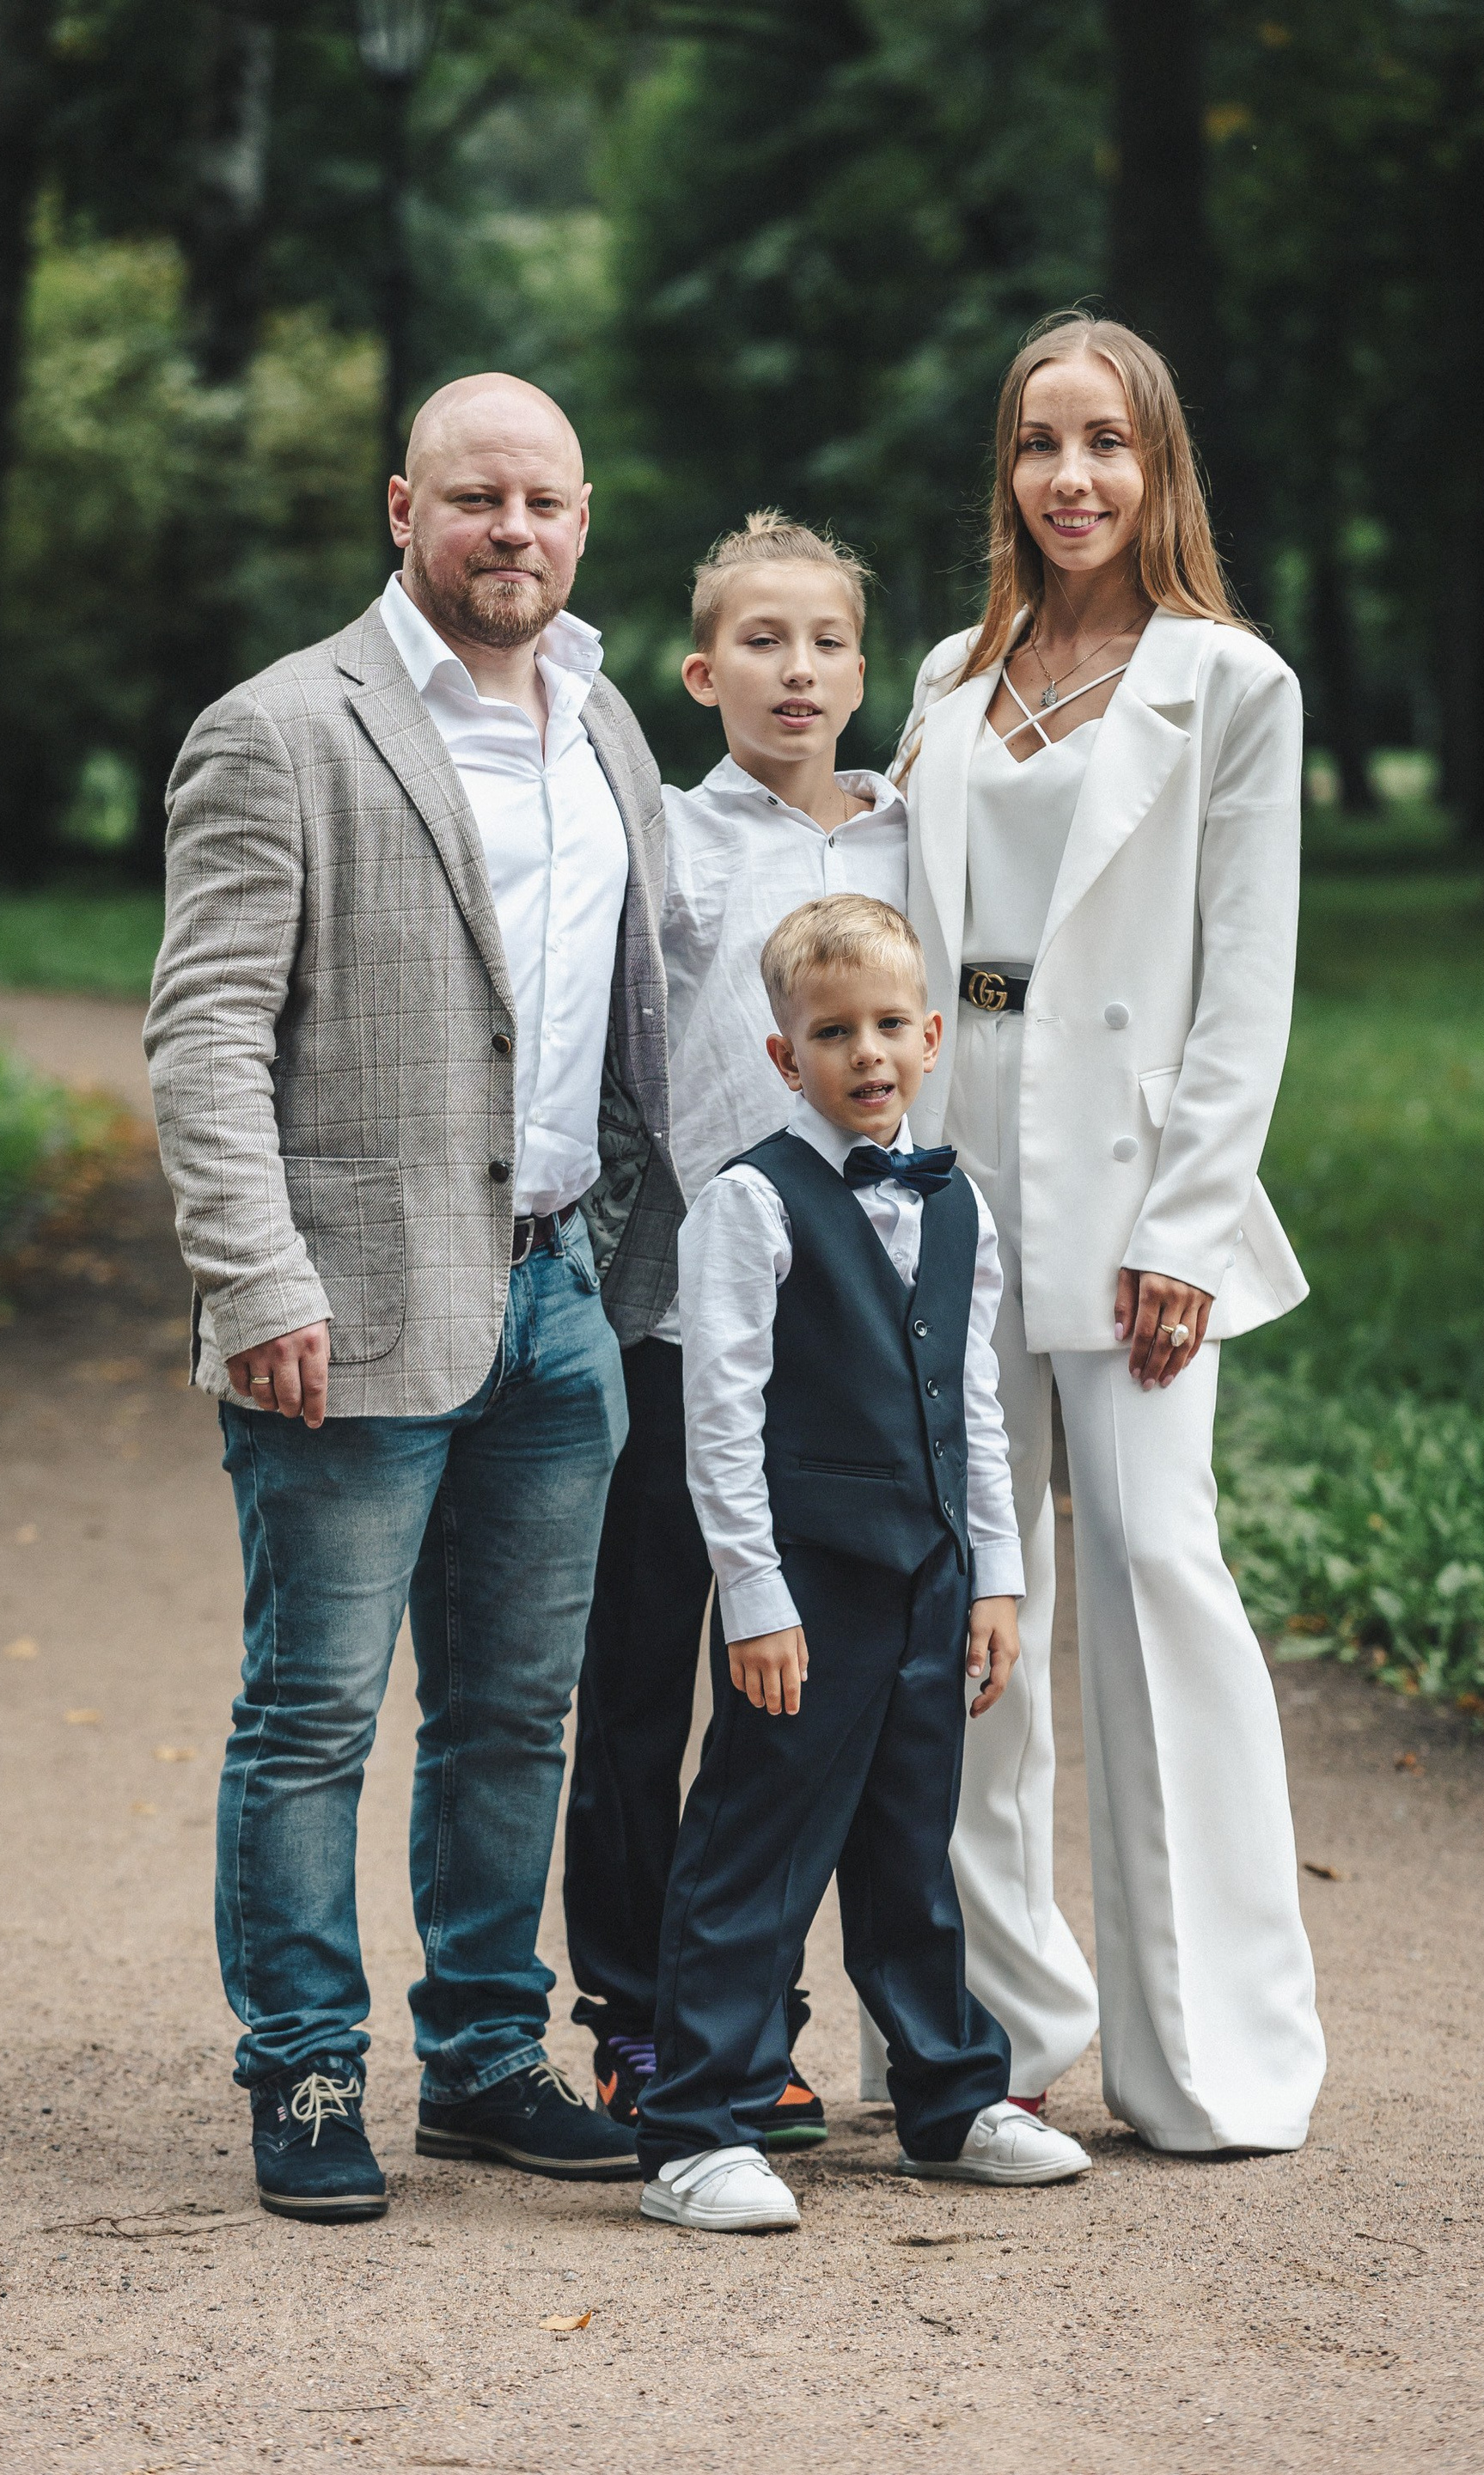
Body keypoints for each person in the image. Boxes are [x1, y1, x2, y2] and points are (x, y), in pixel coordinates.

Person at [144, 372, 681, 2222]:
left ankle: (481, 2059)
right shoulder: (279, 729)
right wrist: (253, 1278)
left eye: (543, 500)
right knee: (312, 1717)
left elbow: (638, 1020)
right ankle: (304, 2071)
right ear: (403, 510)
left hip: (558, 1303)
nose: (510, 529)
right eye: (474, 497)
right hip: (344, 1313)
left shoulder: (606, 725)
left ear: (584, 519)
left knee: (514, 1717)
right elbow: (206, 1030)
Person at [874, 311, 1327, 2154]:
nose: (1073, 477)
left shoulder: (1230, 683)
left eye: (1108, 443)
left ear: (1159, 468)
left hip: (1138, 1180)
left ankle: (1213, 2052)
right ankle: (995, 2020)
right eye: (1041, 442)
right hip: (955, 1161)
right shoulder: (950, 673)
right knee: (970, 1593)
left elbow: (1247, 980)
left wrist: (1192, 1228)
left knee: (1153, 1573)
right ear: (1007, 466)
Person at [634, 895, 1091, 2233]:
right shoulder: (750, 1204)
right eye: (834, 1033)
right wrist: (754, 1598)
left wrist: (993, 1578)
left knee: (910, 1851)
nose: (868, 1053)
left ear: (934, 1037)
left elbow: (977, 1411)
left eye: (891, 1025)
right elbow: (719, 1421)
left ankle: (949, 2100)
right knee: (756, 1849)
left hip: (929, 1580)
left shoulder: (958, 1209)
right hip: (808, 1588)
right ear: (788, 1058)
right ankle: (693, 2129)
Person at [562, 512, 908, 2146]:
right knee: (641, 1675)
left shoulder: (914, 839)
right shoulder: (669, 845)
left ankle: (756, 2016)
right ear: (704, 675)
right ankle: (635, 2016)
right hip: (677, 1318)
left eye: (826, 641)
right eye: (761, 642)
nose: (798, 670)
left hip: (850, 1339)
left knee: (793, 1691)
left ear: (865, 670)